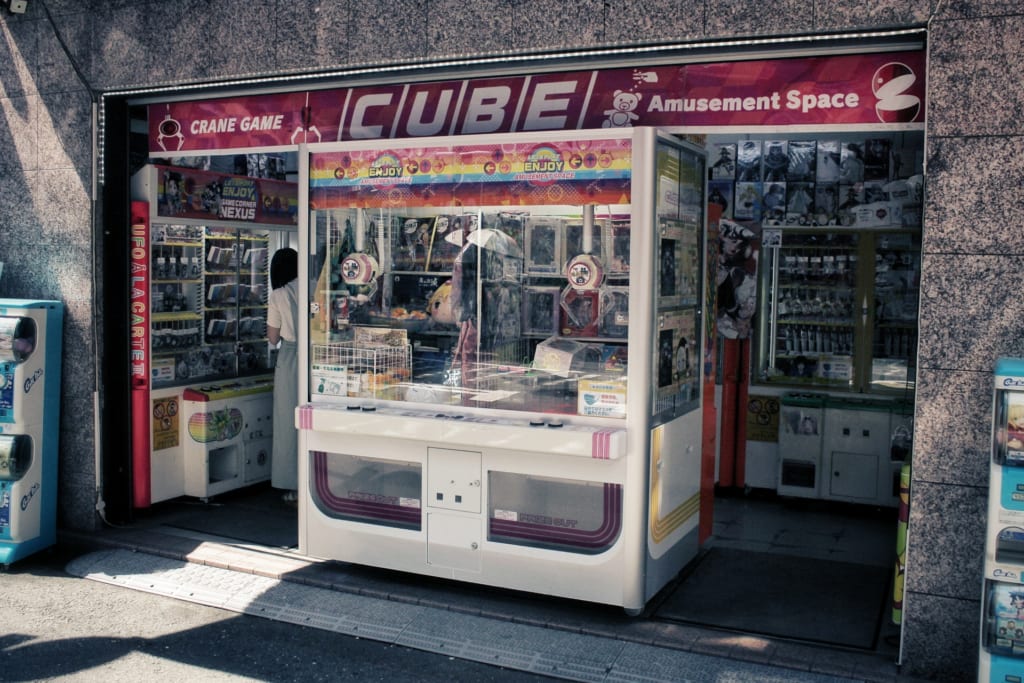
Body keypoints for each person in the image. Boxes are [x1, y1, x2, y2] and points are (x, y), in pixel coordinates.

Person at [267, 247, 299, 503]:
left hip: (290, 358)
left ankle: (292, 486)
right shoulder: (313, 286)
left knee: (288, 421)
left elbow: (273, 337)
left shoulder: (278, 294)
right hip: (316, 356)